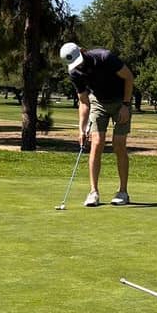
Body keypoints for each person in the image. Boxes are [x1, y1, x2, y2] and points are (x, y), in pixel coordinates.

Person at [59, 42, 135, 207]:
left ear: (83, 51)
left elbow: (129, 77)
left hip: (120, 100)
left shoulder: (104, 57)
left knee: (119, 144)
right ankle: (93, 192)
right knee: (97, 143)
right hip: (98, 102)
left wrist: (126, 105)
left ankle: (123, 192)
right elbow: (84, 102)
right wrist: (81, 128)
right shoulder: (75, 72)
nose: (80, 66)